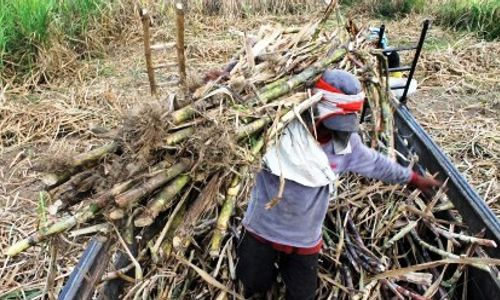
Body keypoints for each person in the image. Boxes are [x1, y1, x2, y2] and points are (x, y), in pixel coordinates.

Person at [235, 69, 441, 300]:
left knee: (302, 295)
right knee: (251, 285)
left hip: (304, 240)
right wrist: (226, 82)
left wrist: (412, 178)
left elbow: (376, 163)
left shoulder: (346, 144)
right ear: (314, 107)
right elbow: (238, 109)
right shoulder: (278, 130)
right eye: (330, 124)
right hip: (261, 230)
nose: (335, 131)